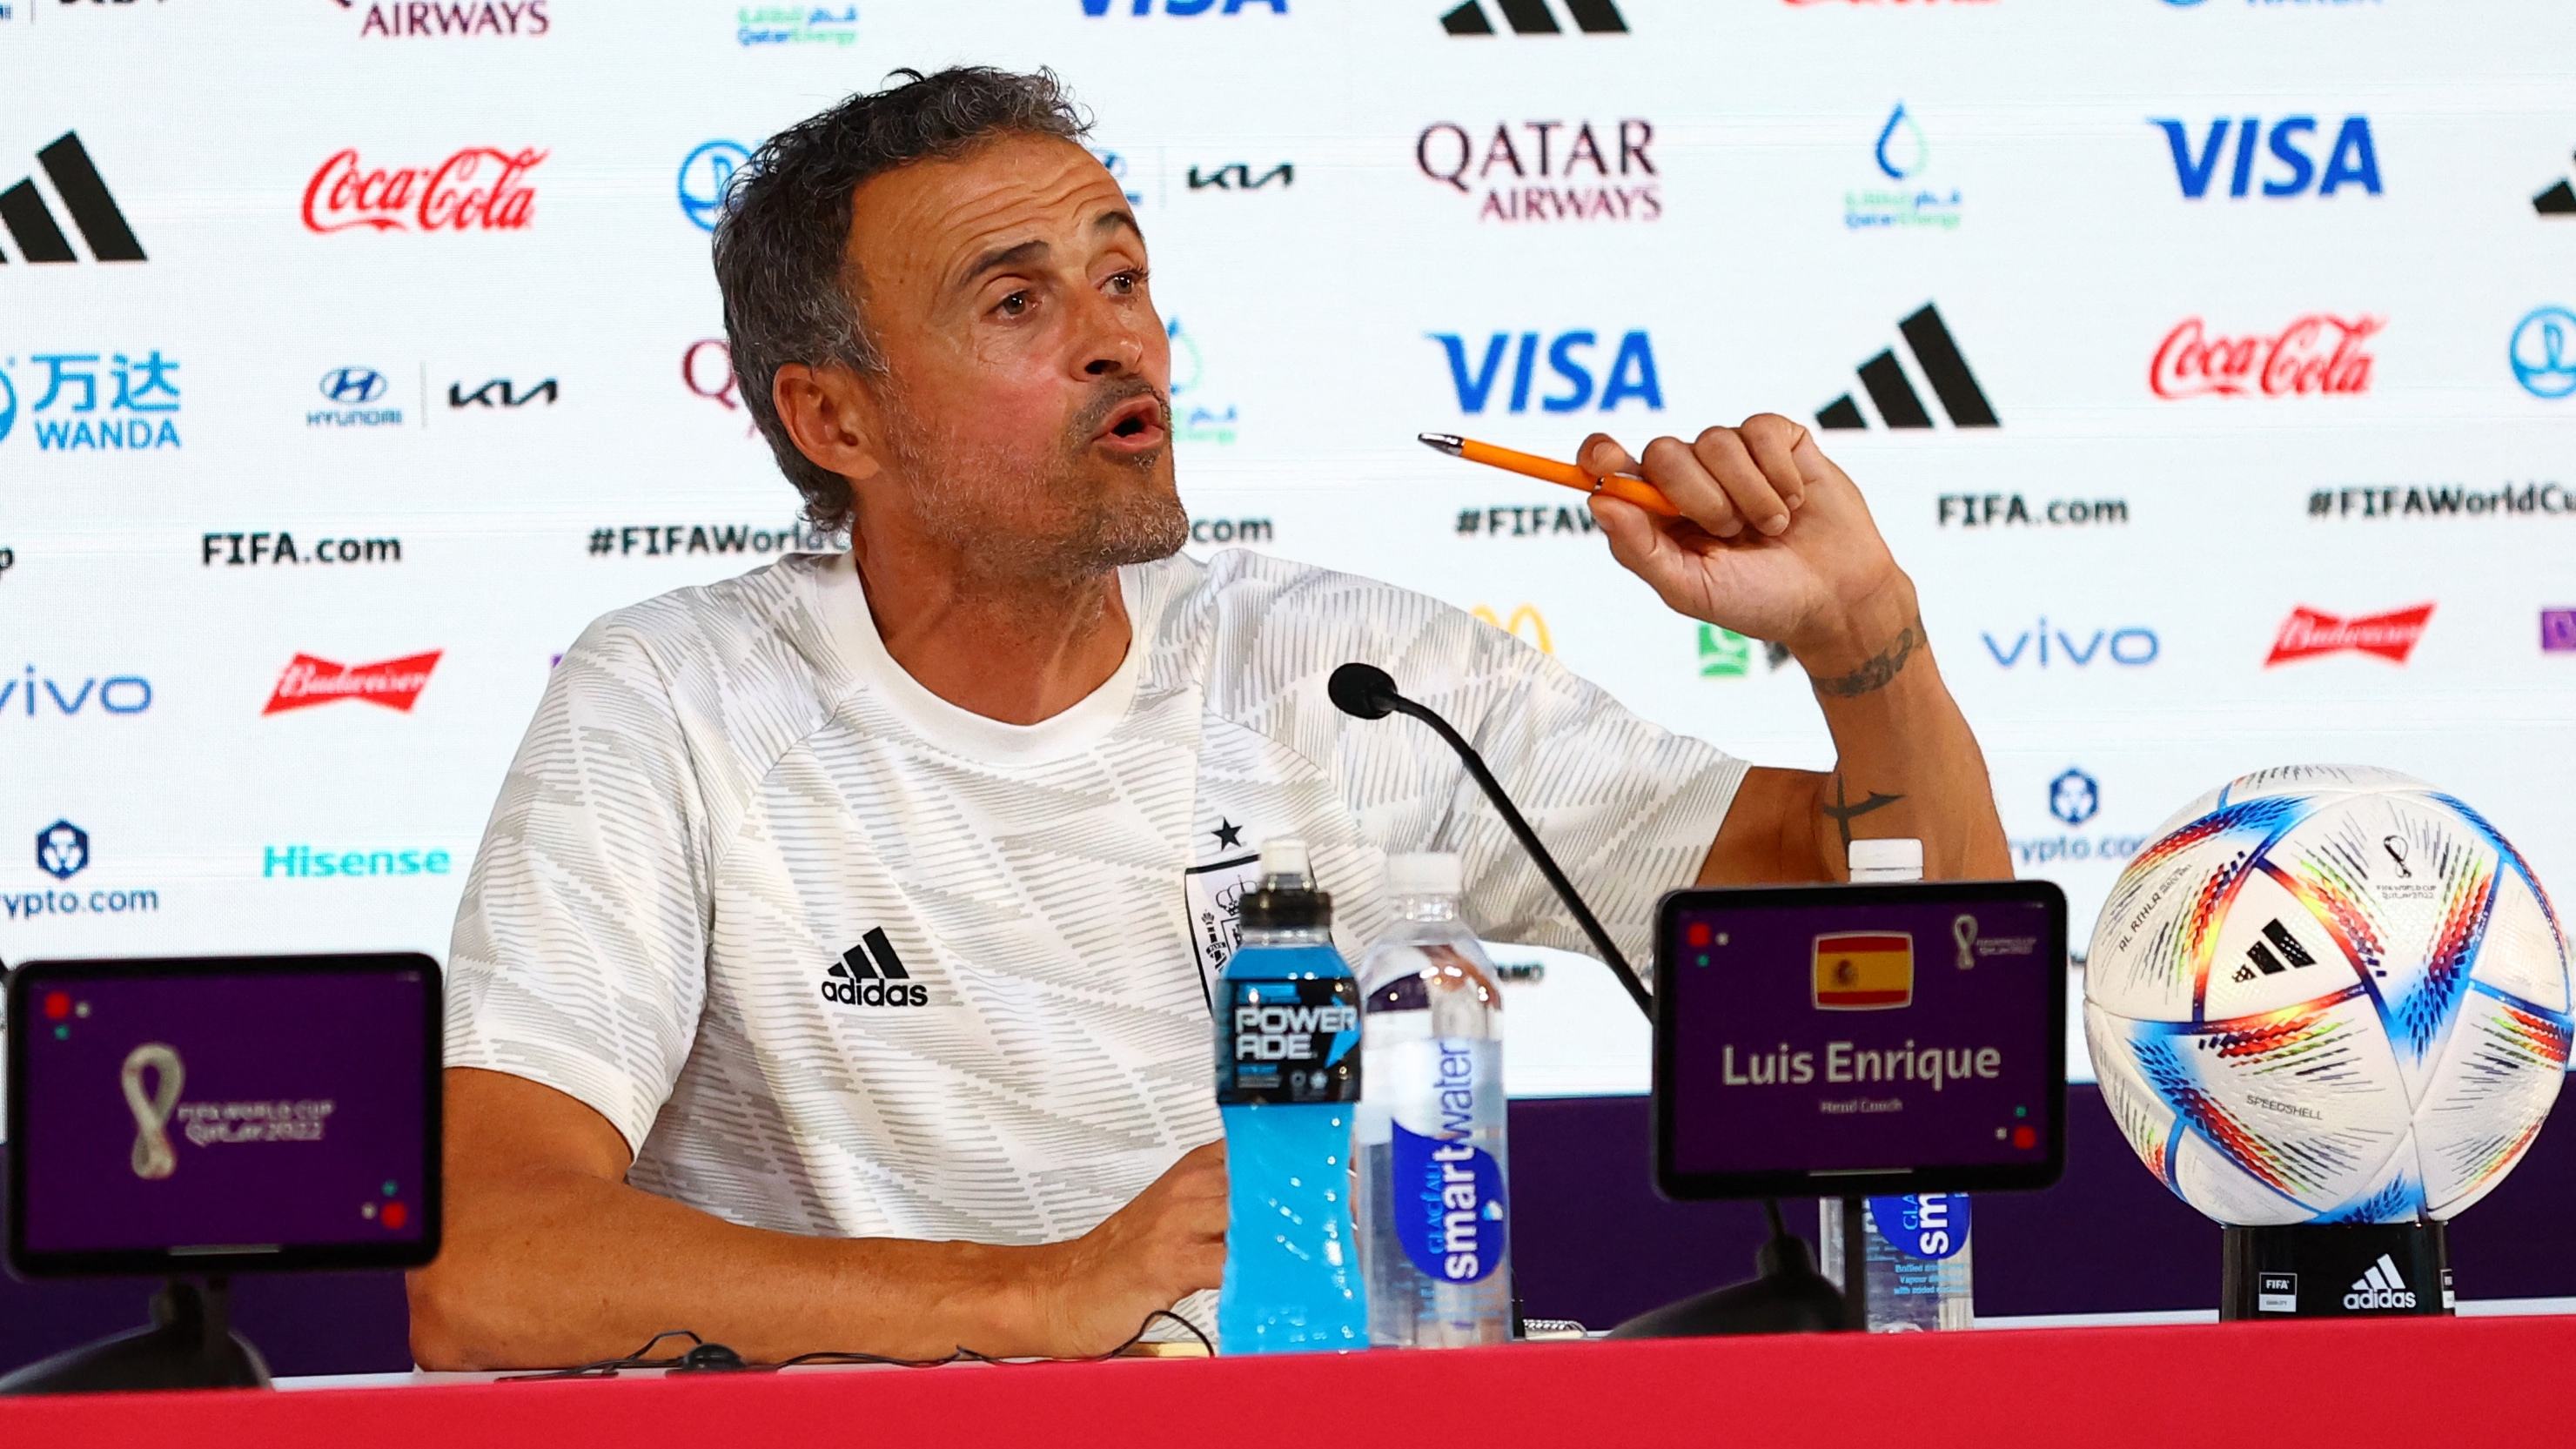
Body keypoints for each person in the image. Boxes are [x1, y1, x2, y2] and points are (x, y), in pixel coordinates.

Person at [406, 66, 2009, 1370]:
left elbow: (1925, 967)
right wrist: (1033, 1298)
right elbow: (487, 1262)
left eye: (1123, 275)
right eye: (1015, 303)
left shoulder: (1341, 664)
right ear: (835, 415)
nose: (1118, 337)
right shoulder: (679, 700)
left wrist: (1867, 645)